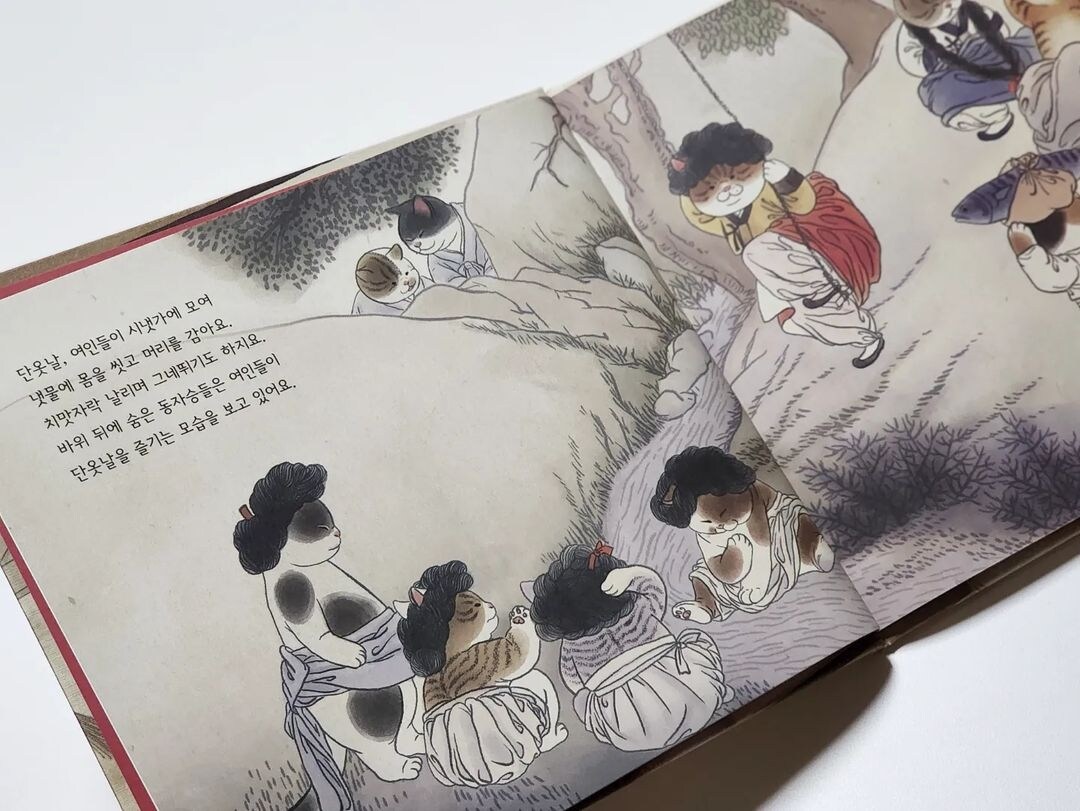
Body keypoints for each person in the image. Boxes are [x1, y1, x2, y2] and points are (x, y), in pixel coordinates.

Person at [232, 462, 424, 811]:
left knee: (405, 681)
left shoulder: (304, 565)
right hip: (332, 672)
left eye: (332, 527)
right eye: (322, 531)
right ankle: (383, 758)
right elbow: (313, 634)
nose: (336, 535)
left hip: (371, 648)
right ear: (284, 540)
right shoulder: (289, 582)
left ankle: (407, 733)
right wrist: (335, 648)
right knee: (353, 721)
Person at [671, 122, 884, 368]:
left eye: (736, 177)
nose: (727, 191)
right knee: (793, 321)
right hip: (777, 271)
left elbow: (804, 205)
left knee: (756, 252)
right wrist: (688, 176)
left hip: (804, 243)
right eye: (711, 189)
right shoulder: (722, 220)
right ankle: (864, 334)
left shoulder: (768, 190)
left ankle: (824, 289)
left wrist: (787, 179)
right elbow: (696, 213)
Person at [524, 543, 733, 751]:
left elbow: (574, 681)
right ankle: (717, 691)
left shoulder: (572, 646)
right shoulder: (639, 605)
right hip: (693, 691)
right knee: (692, 639)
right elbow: (654, 587)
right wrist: (631, 575)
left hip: (633, 729)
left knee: (583, 700)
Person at [649, 446, 835, 623]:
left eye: (724, 514)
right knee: (702, 574)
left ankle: (814, 552)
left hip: (777, 546)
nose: (721, 526)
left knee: (796, 517)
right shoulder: (706, 536)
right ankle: (705, 605)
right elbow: (718, 568)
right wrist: (736, 560)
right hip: (738, 585)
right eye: (707, 524)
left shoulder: (753, 492)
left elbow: (762, 538)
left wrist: (757, 582)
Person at [895, 0, 1038, 140]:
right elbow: (914, 62)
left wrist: (977, 47)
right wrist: (950, 55)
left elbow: (1001, 34)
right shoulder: (912, 34)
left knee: (1031, 49)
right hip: (959, 74)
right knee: (938, 99)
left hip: (995, 61)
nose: (948, 5)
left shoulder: (972, 10)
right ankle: (996, 115)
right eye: (935, 7)